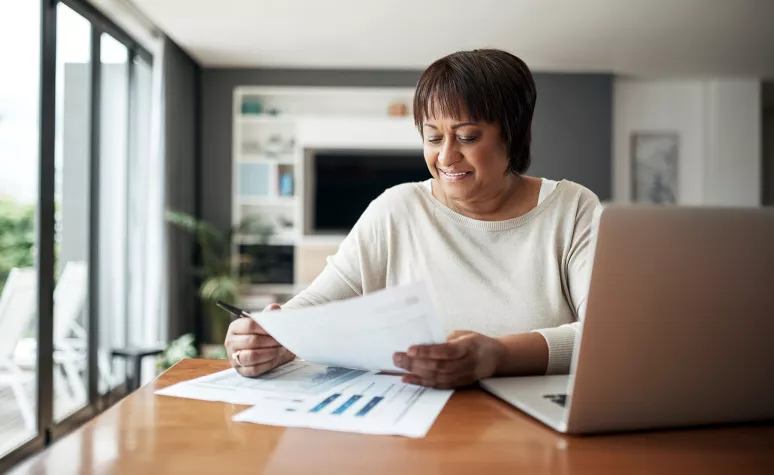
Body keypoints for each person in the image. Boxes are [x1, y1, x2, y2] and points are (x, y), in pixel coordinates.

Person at [225, 49, 601, 389]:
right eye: (434, 138)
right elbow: (314, 308)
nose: (446, 157)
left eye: (467, 137)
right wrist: (268, 341)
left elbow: (606, 335)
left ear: (513, 135)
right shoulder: (397, 209)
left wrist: (496, 356)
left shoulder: (572, 208)